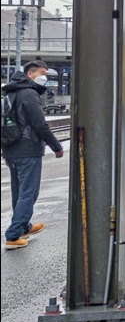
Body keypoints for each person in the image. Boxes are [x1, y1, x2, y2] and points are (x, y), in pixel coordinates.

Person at [3, 59, 64, 249]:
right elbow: (39, 125)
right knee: (29, 192)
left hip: (10, 148)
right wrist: (56, 146)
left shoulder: (11, 91)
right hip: (27, 149)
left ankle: (23, 227)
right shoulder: (29, 94)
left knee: (19, 191)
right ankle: (13, 235)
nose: (44, 77)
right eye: (42, 73)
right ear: (30, 74)